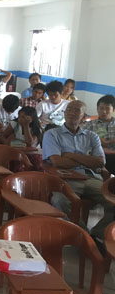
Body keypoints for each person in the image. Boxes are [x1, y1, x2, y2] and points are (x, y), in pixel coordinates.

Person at [42, 100, 114, 243]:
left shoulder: (91, 136)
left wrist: (69, 155)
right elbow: (57, 161)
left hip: (89, 178)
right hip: (65, 179)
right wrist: (87, 158)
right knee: (60, 200)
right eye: (69, 110)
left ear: (83, 116)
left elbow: (100, 162)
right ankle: (84, 236)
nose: (71, 113)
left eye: (76, 111)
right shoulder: (52, 134)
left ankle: (98, 233)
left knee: (113, 200)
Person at [84, 94, 115, 174]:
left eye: (107, 109)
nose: (104, 111)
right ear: (97, 109)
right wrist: (96, 141)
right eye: (101, 108)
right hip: (96, 156)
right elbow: (82, 142)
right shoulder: (89, 125)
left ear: (113, 110)